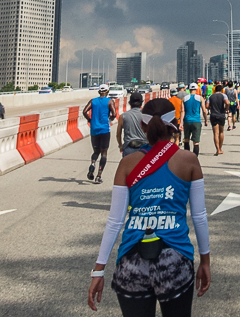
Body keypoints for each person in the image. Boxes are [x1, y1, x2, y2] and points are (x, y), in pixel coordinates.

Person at [88, 98, 211, 316]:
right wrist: (205, 261)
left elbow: (115, 220)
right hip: (175, 259)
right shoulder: (189, 160)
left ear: (143, 126)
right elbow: (199, 216)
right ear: (175, 124)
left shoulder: (127, 164)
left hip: (132, 263)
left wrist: (99, 270)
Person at [83, 84, 118, 183]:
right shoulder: (110, 101)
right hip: (104, 130)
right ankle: (99, 175)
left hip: (94, 129)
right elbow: (114, 114)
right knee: (104, 153)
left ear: (99, 92)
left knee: (95, 151)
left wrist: (90, 119)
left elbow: (84, 111)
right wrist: (111, 118)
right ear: (107, 91)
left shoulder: (93, 101)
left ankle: (93, 164)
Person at [118, 92, 149, 157]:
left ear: (129, 103)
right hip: (144, 148)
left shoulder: (123, 116)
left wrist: (120, 145)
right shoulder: (146, 115)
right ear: (141, 102)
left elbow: (118, 134)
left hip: (129, 148)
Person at [182, 83, 208, 156]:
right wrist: (206, 120)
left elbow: (182, 111)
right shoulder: (200, 98)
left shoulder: (184, 98)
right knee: (196, 142)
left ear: (189, 89)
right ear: (196, 89)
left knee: (186, 140)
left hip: (187, 121)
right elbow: (204, 110)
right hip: (196, 121)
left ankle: (187, 157)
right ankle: (195, 158)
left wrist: (181, 123)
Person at [208, 84, 229, 156]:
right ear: (222, 90)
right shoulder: (223, 95)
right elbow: (227, 103)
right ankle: (220, 148)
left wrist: (211, 108)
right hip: (221, 115)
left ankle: (217, 149)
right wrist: (226, 109)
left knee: (215, 133)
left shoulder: (210, 96)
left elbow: (207, 106)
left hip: (213, 115)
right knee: (221, 132)